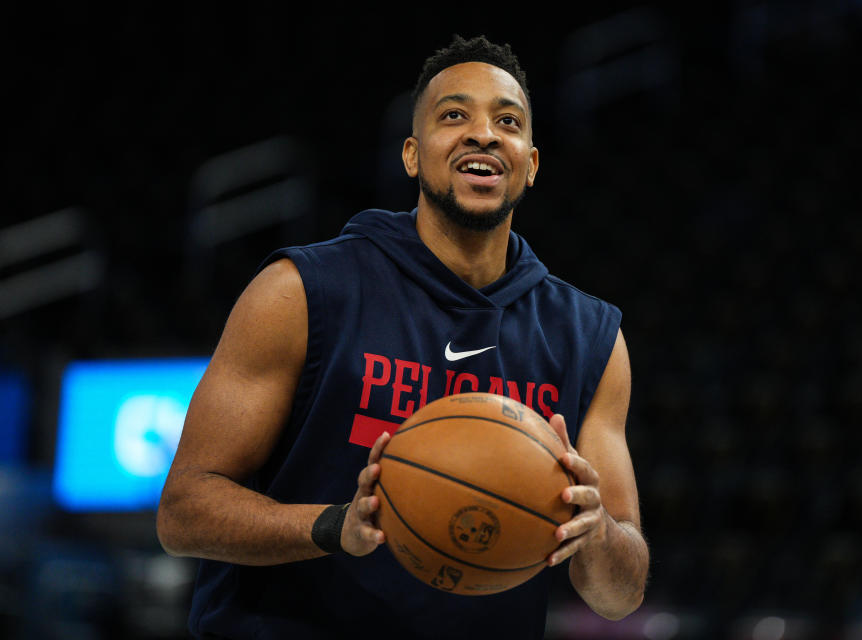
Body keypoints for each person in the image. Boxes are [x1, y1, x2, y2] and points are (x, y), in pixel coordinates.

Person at [157, 35, 649, 639]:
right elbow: (184, 510)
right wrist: (334, 526)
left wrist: (597, 532)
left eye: (508, 121)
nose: (484, 134)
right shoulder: (303, 291)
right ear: (413, 156)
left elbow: (618, 597)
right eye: (454, 115)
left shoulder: (590, 338)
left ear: (531, 163)